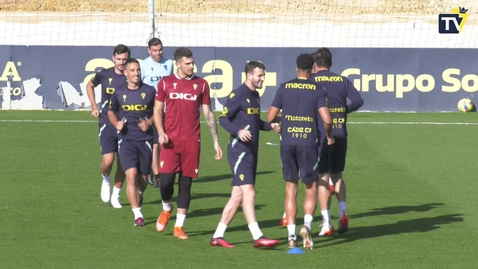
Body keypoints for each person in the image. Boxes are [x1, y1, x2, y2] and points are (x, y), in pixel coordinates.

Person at [153, 47, 223, 239]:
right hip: (170, 142)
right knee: (166, 182)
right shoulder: (165, 84)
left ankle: (179, 227)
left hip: (192, 142)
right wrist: (160, 132)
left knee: (186, 184)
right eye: (187, 63)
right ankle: (167, 208)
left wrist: (216, 141)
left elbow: (208, 113)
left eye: (192, 63)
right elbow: (157, 110)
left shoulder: (201, 84)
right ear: (177, 64)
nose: (192, 66)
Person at [210, 61, 280, 249]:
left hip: (251, 151)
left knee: (237, 196)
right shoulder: (238, 95)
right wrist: (238, 131)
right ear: (249, 75)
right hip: (239, 151)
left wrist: (270, 126)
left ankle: (217, 236)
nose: (263, 79)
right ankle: (257, 236)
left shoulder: (255, 96)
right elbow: (223, 119)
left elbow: (255, 123)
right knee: (249, 192)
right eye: (260, 76)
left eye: (263, 75)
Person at [267, 54, 334, 249]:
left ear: (296, 68)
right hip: (307, 143)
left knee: (290, 188)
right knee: (310, 188)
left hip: (287, 142)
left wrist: (284, 117)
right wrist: (328, 135)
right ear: (313, 69)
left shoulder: (285, 87)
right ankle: (306, 225)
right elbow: (327, 120)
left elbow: (271, 116)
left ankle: (290, 236)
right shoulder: (317, 89)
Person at [310, 48, 364, 236]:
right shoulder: (342, 79)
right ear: (331, 63)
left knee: (323, 177)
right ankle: (343, 212)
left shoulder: (312, 80)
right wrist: (343, 111)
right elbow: (358, 100)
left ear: (314, 65)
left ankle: (326, 223)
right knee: (338, 176)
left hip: (322, 134)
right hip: (340, 132)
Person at [107, 58, 156, 226]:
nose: (136, 73)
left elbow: (159, 112)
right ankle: (138, 215)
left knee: (142, 180)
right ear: (126, 73)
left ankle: (139, 194)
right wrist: (116, 124)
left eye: (138, 70)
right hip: (126, 139)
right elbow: (111, 112)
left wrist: (148, 123)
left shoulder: (150, 91)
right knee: (131, 176)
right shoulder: (119, 92)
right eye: (133, 70)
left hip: (145, 140)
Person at [86, 44, 130, 209]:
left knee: (124, 163)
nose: (121, 62)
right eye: (118, 59)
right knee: (108, 161)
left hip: (127, 125)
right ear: (113, 58)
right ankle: (105, 178)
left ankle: (116, 195)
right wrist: (94, 106)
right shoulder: (104, 75)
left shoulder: (132, 76)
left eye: (124, 59)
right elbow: (90, 85)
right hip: (107, 124)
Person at [140, 38, 174, 185]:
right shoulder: (143, 65)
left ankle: (154, 170)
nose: (158, 53)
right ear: (149, 51)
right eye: (154, 50)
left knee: (160, 142)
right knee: (154, 143)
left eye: (160, 50)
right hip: (149, 109)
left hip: (164, 108)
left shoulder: (169, 63)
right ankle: (156, 174)